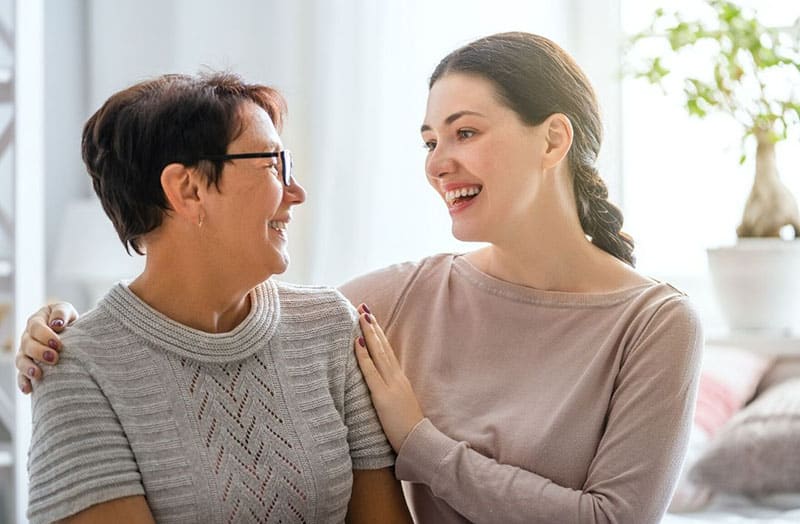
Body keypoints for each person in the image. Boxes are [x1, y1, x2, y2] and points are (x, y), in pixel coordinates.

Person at [17, 33, 702, 523]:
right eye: (430, 141)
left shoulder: (655, 323)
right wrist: (61, 331)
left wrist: (422, 443)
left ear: (553, 139)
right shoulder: (386, 301)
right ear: (188, 188)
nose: (437, 162)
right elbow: (210, 312)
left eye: (464, 132)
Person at [16, 72, 410, 524]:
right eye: (273, 165)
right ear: (188, 190)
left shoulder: (329, 327)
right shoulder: (78, 369)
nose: (296, 193)